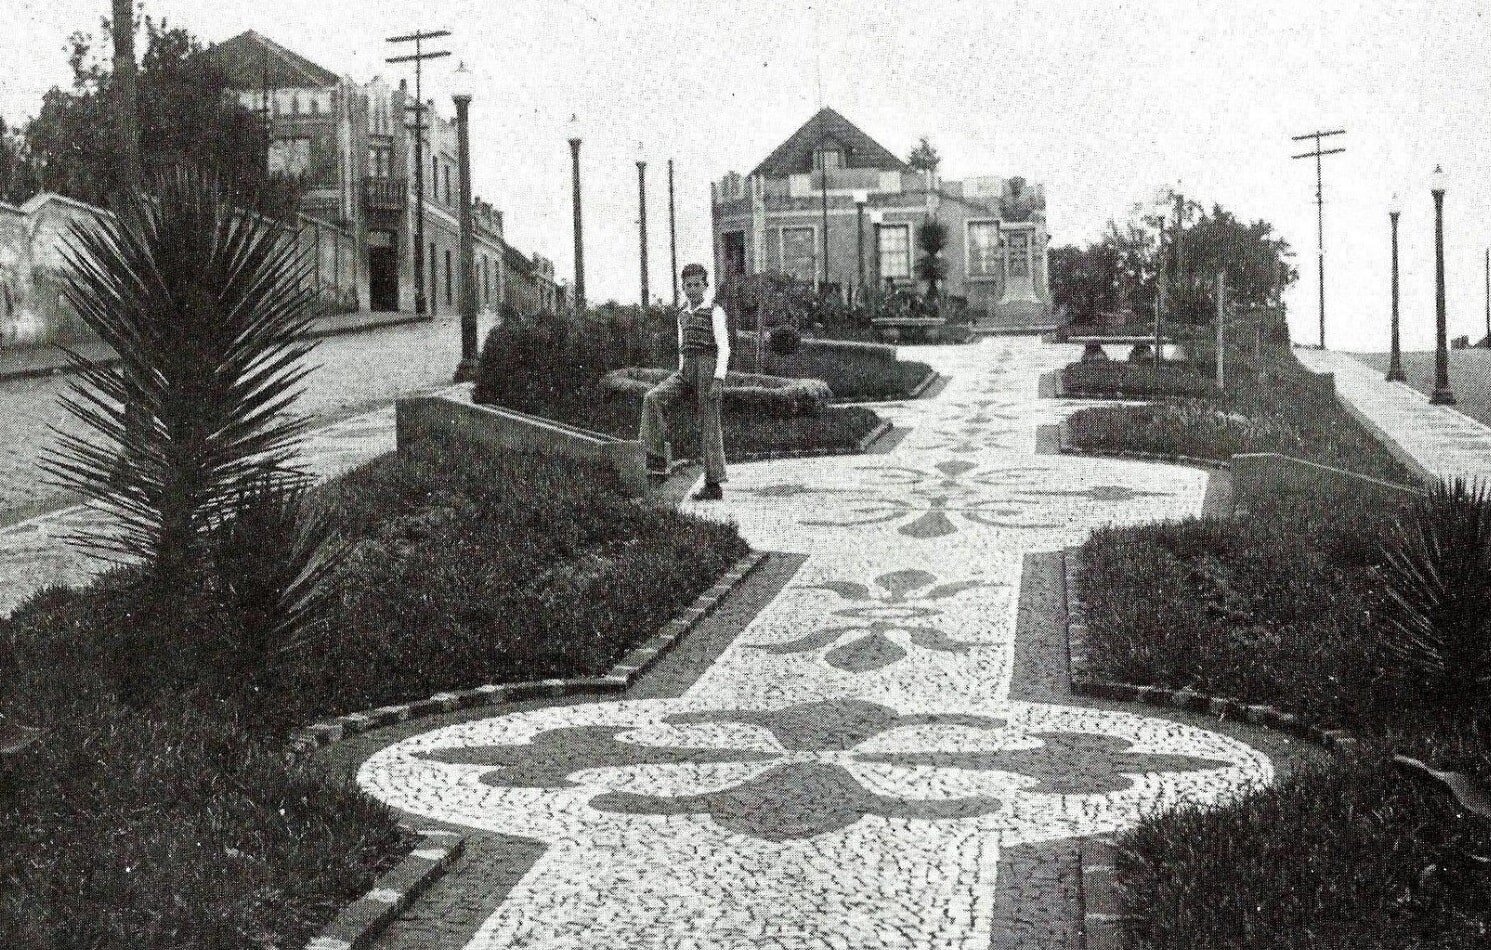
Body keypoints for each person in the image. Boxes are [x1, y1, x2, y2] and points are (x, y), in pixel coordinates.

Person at [640, 263, 728, 500]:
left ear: (705, 286)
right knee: (652, 398)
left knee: (709, 423)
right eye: (687, 285)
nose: (692, 289)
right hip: (687, 369)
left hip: (708, 368)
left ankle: (713, 484)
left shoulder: (715, 311)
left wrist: (718, 379)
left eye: (697, 284)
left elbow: (724, 348)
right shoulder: (682, 314)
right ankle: (655, 458)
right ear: (683, 287)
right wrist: (683, 377)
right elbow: (682, 349)